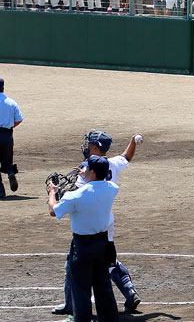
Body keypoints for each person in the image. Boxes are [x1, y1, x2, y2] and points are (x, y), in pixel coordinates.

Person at [54, 131, 143, 316]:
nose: (87, 146)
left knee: (76, 262)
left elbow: (81, 194)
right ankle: (129, 291)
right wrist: (132, 141)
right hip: (105, 220)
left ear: (96, 147)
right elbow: (127, 157)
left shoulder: (87, 171)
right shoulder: (112, 166)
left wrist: (56, 193)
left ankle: (71, 305)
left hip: (90, 224)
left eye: (90, 143)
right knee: (106, 260)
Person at [48, 155, 120, 322]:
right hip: (103, 244)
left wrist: (52, 193)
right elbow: (98, 186)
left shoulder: (75, 196)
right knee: (103, 287)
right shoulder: (112, 188)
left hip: (82, 247)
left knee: (81, 290)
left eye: (87, 169)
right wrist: (86, 176)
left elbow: (54, 211)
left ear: (93, 173)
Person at [0, 78, 22, 198]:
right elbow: (19, 119)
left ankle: (0, 191)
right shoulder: (11, 102)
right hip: (7, 134)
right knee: (7, 159)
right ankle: (10, 172)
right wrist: (8, 127)